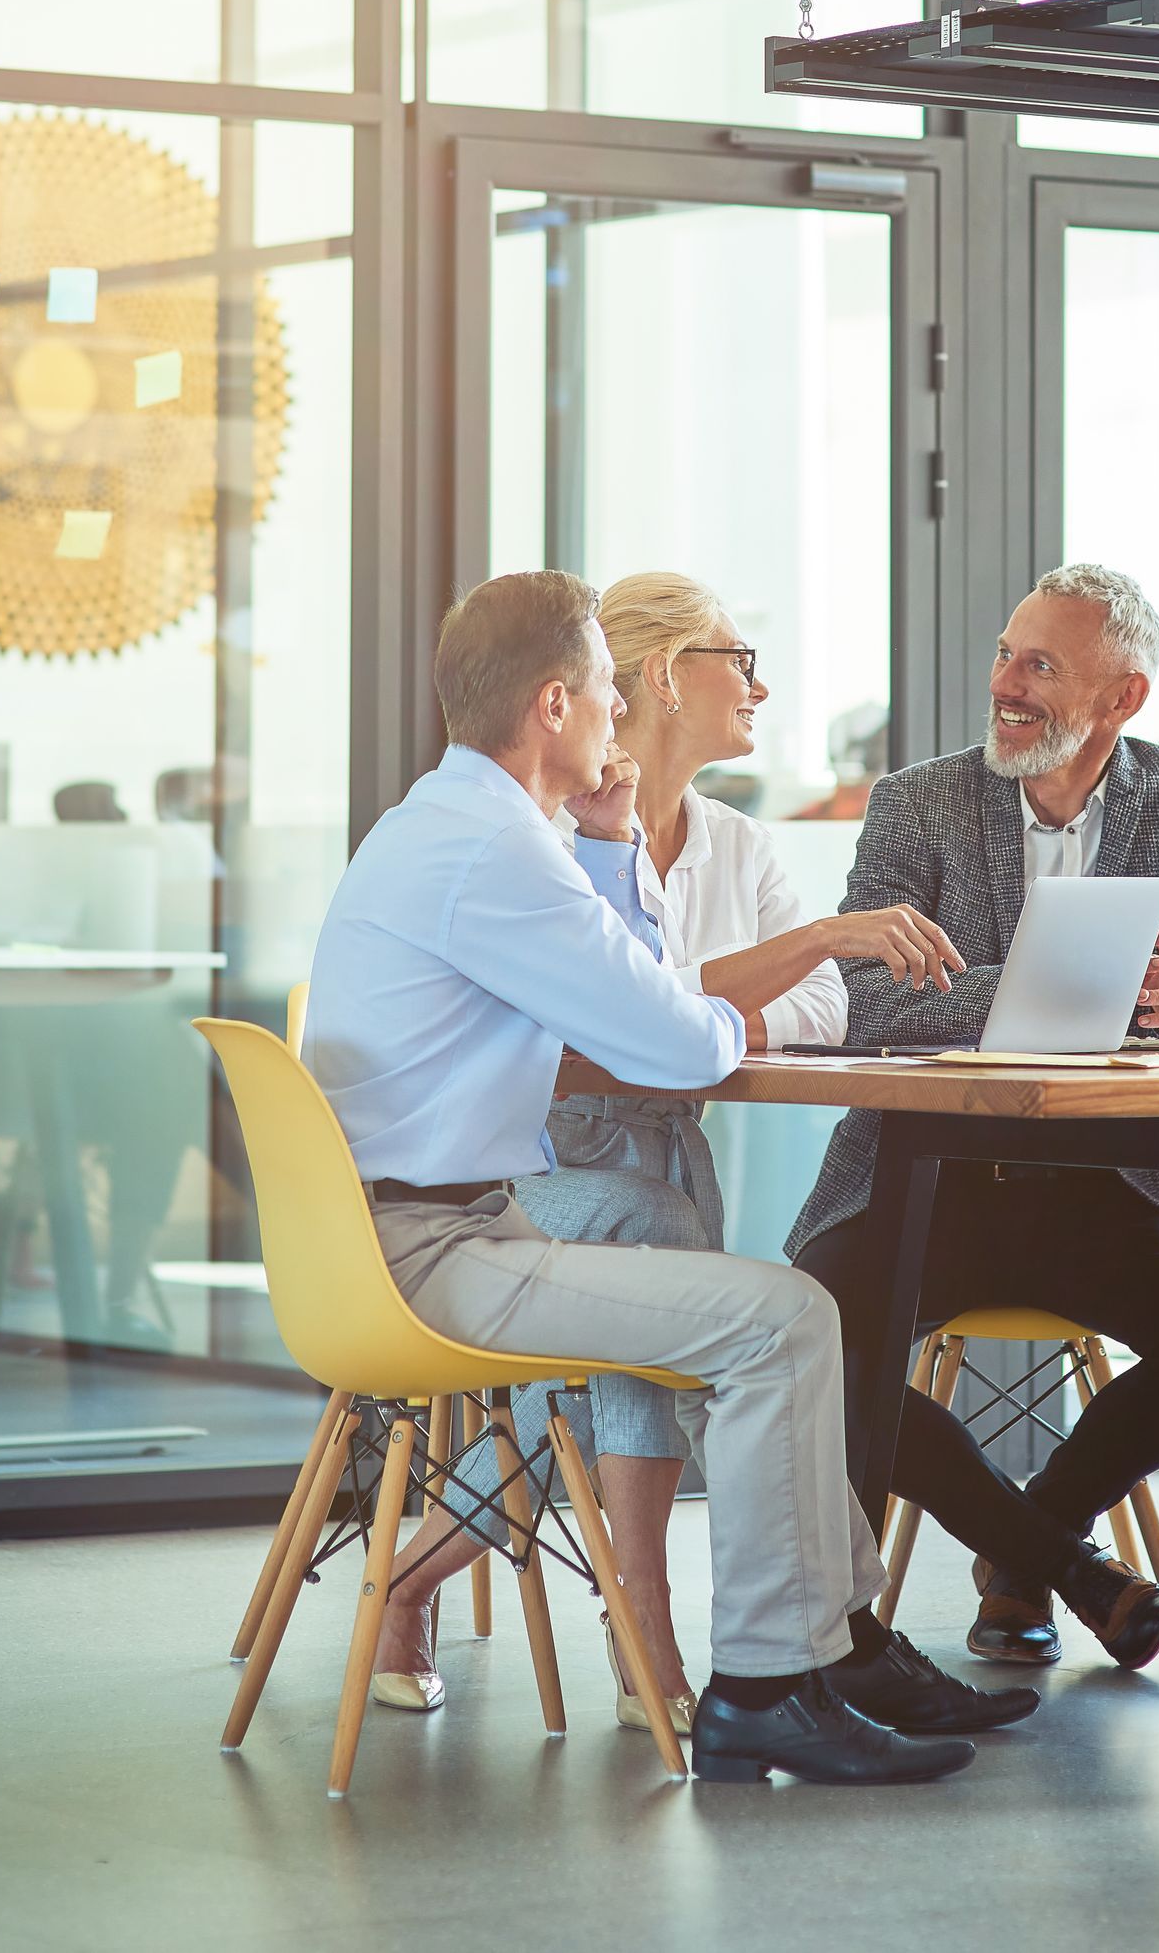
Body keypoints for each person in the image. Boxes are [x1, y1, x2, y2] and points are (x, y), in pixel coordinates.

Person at [301, 568, 1024, 1788]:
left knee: (715, 1270)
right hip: (436, 1248)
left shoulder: (457, 826)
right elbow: (672, 1040)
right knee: (784, 1316)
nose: (609, 718)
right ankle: (773, 1683)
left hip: (421, 1228)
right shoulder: (500, 852)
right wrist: (698, 959)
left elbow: (645, 1000)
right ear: (553, 706)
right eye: (596, 694)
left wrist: (610, 847)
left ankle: (800, 1664)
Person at [788, 561, 1159, 1672]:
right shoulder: (919, 803)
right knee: (820, 1340)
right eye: (1005, 653)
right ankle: (1068, 1568)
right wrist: (1030, 986)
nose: (1005, 683)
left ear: (1121, 698)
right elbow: (855, 996)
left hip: (1113, 1189)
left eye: (1040, 664)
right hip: (927, 1181)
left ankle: (1024, 1553)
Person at [423, 569, 944, 1736]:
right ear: (657, 678)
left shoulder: (737, 842)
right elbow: (618, 1025)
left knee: (673, 1243)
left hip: (649, 1159)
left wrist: (715, 1015)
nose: (760, 683)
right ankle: (749, 1626)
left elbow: (827, 1010)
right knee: (705, 1288)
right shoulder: (534, 838)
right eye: (738, 656)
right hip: (527, 1183)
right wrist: (774, 967)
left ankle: (461, 1582)